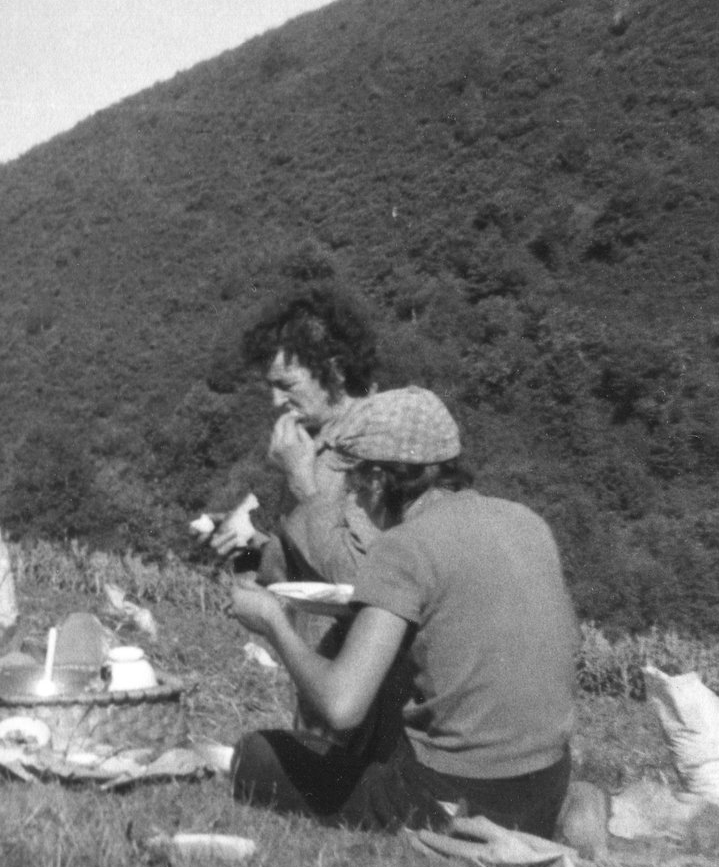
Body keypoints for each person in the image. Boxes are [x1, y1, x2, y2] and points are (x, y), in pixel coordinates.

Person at [227, 388, 579, 837]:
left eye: (353, 485)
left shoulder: (403, 548)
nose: (352, 500)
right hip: (547, 786)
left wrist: (273, 624)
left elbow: (341, 706)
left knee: (256, 755)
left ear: (377, 480)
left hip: (459, 798)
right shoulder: (526, 521)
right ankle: (568, 811)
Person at [225, 285, 382, 586]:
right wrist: (252, 554)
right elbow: (298, 563)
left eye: (287, 385)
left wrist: (302, 485)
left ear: (336, 371)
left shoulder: (377, 444)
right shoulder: (312, 439)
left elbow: (361, 577)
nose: (276, 401)